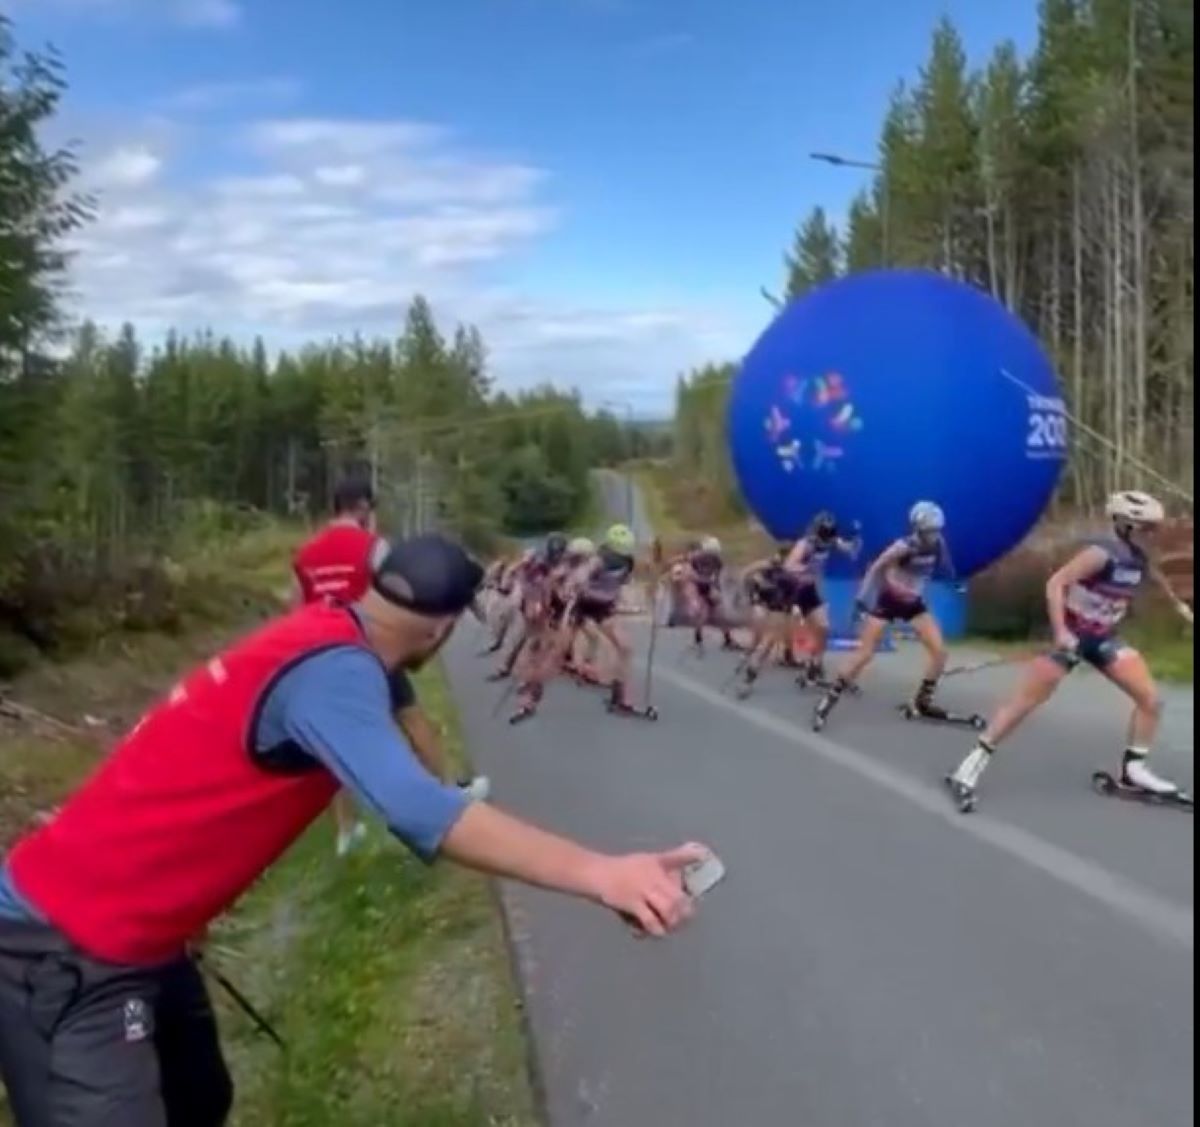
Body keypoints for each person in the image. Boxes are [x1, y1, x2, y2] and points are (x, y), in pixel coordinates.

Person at [0, 534, 711, 1126]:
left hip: (141, 934)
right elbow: (420, 808)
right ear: (440, 628)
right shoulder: (337, 676)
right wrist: (602, 872)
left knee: (199, 1099)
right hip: (62, 945)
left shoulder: (321, 633)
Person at [946, 491, 1194, 813]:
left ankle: (1134, 770)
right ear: (1126, 526)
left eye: (1154, 528)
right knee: (1024, 704)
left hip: (1103, 638)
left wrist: (1179, 607)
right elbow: (1055, 584)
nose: (1153, 535)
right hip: (1071, 638)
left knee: (1150, 699)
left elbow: (1156, 577)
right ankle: (969, 767)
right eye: (1147, 528)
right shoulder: (1100, 554)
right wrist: (1061, 632)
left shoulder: (1139, 556)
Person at [813, 501, 956, 731]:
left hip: (914, 604)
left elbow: (947, 565)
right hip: (888, 601)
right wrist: (861, 601)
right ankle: (828, 701)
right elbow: (875, 568)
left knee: (940, 652)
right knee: (864, 654)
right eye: (929, 531)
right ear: (918, 529)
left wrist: (954, 582)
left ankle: (922, 701)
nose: (934, 535)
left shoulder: (939, 543)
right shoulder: (903, 547)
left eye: (937, 530)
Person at [781, 511, 861, 687]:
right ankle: (760, 667)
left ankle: (814, 666)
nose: (825, 541)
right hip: (795, 589)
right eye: (823, 536)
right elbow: (788, 566)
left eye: (828, 537)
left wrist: (856, 540)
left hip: (809, 590)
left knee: (823, 628)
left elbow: (847, 548)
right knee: (789, 625)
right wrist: (805, 569)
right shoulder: (806, 544)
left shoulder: (830, 541)